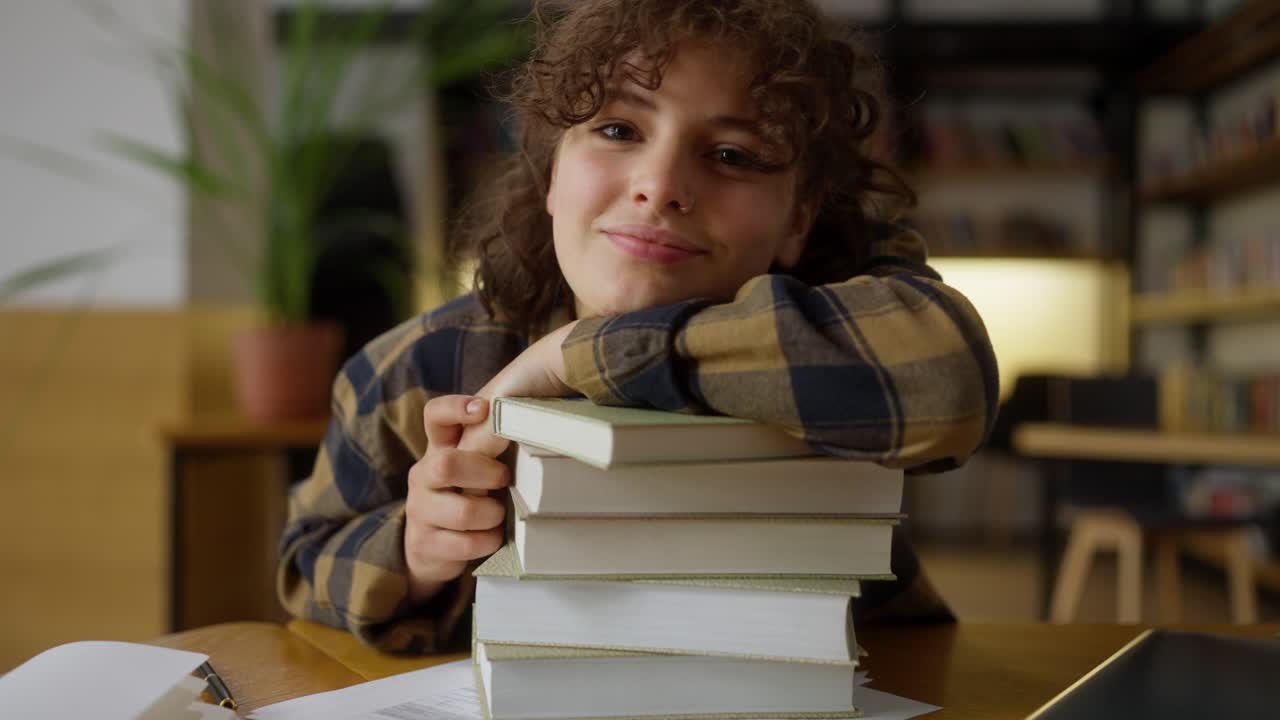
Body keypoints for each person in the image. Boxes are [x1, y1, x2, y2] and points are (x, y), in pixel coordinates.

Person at [277, 0, 999, 653]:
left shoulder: (836, 321)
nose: (661, 185)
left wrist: (571, 357)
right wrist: (415, 552)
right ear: (551, 178)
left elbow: (951, 381)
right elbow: (306, 561)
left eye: (731, 156)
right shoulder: (413, 371)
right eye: (618, 129)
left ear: (797, 221)